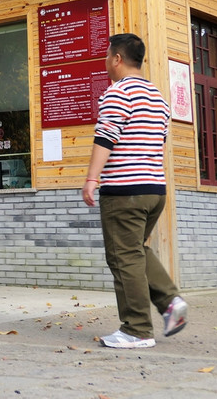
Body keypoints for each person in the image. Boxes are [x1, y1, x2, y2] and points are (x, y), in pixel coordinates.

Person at [82, 33, 188, 349]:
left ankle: (137, 330)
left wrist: (91, 179)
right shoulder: (159, 98)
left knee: (123, 257)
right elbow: (159, 143)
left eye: (106, 56)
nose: (105, 62)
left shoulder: (117, 93)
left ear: (117, 58)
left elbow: (106, 138)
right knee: (136, 249)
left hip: (124, 191)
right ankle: (170, 303)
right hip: (154, 189)